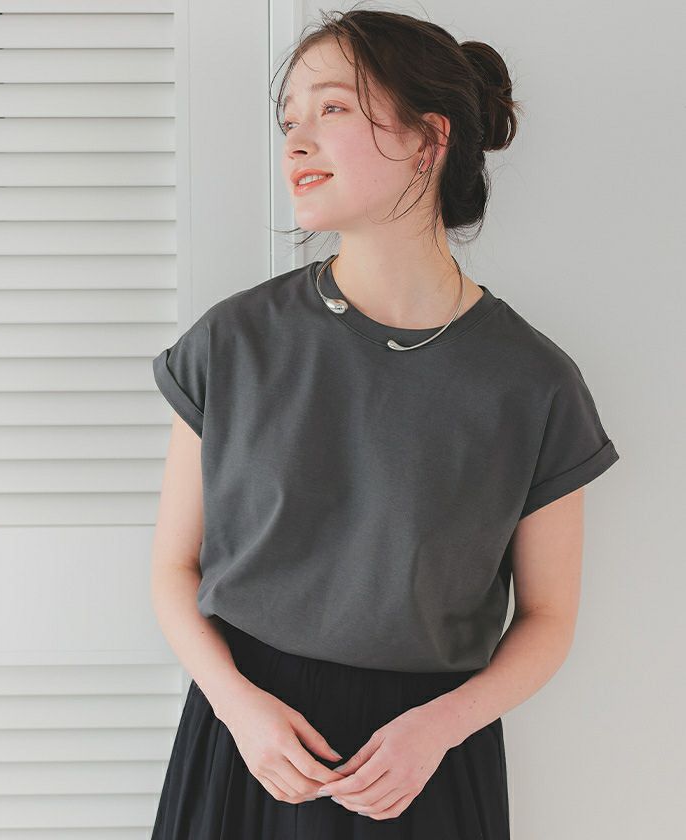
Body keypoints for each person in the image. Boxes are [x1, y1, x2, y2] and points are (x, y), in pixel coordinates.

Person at [149, 8, 620, 839]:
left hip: (423, 762)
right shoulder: (233, 342)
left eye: (331, 108)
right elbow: (172, 568)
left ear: (428, 138)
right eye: (289, 121)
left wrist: (440, 728)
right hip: (247, 744)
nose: (296, 143)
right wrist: (238, 709)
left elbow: (548, 619)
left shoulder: (533, 383)